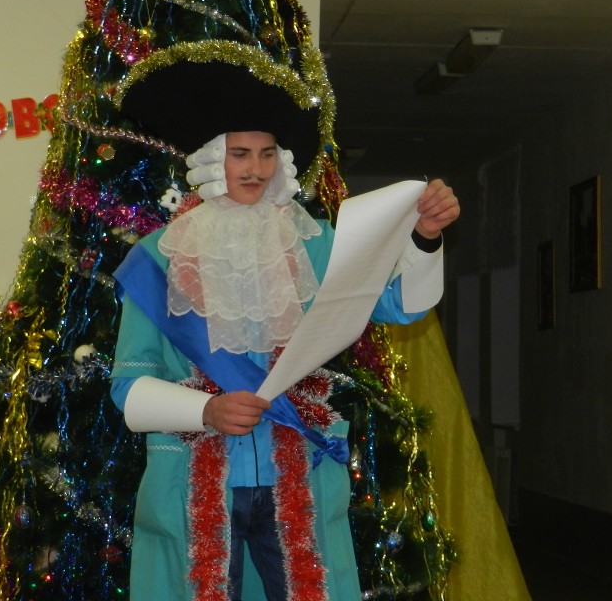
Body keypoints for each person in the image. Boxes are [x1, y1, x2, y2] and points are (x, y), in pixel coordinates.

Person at [109, 126, 459, 601]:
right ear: (212, 159)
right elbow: (128, 384)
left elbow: (400, 306)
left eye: (266, 154)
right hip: (191, 481)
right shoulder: (157, 256)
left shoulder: (315, 243)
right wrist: (206, 411)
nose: (255, 169)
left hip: (299, 478)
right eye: (240, 154)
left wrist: (426, 237)